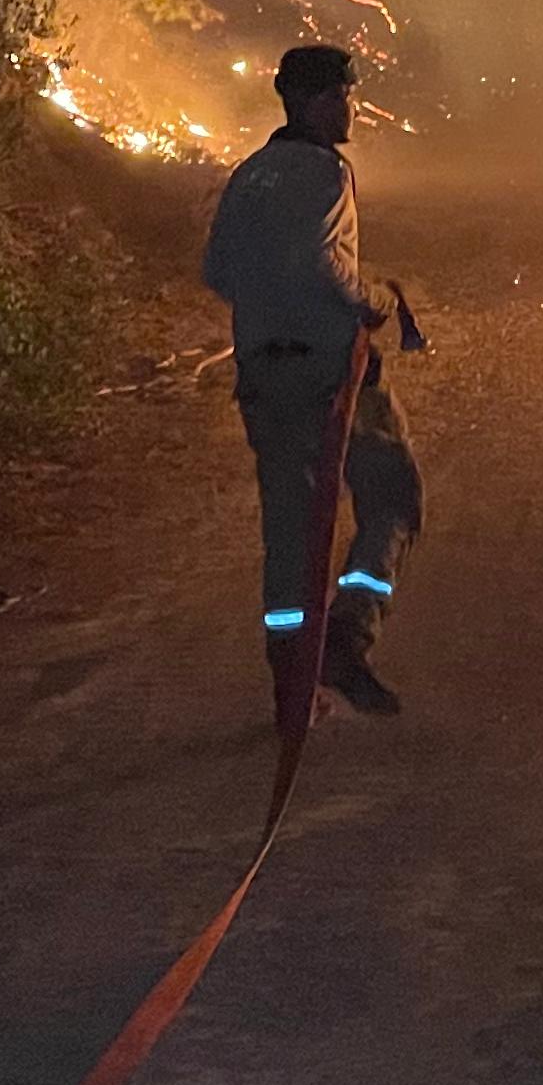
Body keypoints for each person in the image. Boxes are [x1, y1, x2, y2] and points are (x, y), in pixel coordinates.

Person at [202, 43, 419, 718]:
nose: (351, 109)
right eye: (345, 96)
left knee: (290, 530)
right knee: (390, 494)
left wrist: (271, 306)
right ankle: (348, 636)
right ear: (321, 101)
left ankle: (291, 682)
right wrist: (372, 303)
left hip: (264, 375)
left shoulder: (250, 174)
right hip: (329, 374)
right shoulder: (327, 172)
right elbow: (323, 261)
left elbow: (217, 274)